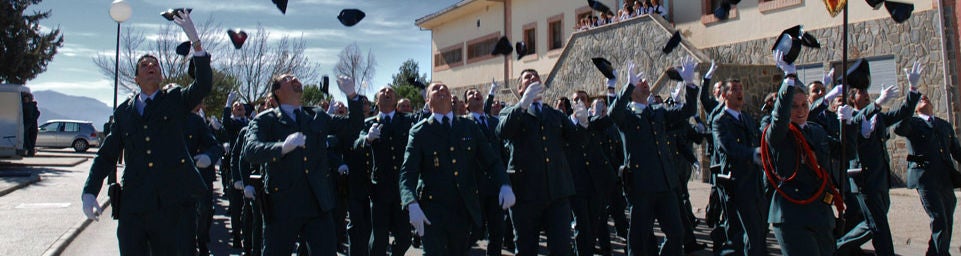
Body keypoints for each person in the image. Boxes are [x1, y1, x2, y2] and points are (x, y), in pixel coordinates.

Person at [80, 10, 211, 254]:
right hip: (134, 205)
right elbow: (107, 155)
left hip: (170, 204)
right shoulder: (124, 113)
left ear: (160, 76)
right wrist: (90, 192)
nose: (151, 67)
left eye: (155, 65)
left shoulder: (175, 99)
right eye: (145, 65)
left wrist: (196, 43)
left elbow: (203, 85)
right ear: (136, 78)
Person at [242, 74, 362, 255]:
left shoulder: (316, 115)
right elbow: (250, 151)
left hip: (317, 203)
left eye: (295, 77)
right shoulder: (266, 120)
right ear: (277, 91)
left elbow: (353, 127)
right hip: (282, 206)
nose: (294, 78)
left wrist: (352, 96)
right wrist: (281, 147)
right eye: (287, 78)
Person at [401, 82, 515, 255]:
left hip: (462, 209)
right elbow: (408, 172)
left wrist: (504, 184)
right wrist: (411, 202)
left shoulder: (468, 126)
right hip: (432, 211)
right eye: (435, 89)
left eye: (445, 88)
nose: (442, 90)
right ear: (428, 101)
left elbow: (491, 161)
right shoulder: (420, 132)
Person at [609, 58, 698, 255]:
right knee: (639, 238)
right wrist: (627, 85)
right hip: (642, 187)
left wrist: (690, 84)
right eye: (640, 82)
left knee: (676, 233)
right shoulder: (628, 117)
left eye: (644, 80)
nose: (645, 82)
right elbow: (613, 113)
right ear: (632, 92)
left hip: (665, 185)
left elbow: (688, 111)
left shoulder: (658, 114)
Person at [761, 51, 845, 255]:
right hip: (791, 214)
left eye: (804, 105)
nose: (800, 110)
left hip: (820, 212)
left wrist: (848, 123)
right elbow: (779, 118)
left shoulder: (816, 130)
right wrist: (788, 80)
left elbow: (845, 152)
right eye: (794, 106)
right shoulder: (778, 133)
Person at [836, 61, 923, 256]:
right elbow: (856, 123)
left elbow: (902, 113)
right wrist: (877, 104)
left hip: (881, 179)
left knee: (873, 223)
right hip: (864, 181)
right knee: (879, 225)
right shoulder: (850, 118)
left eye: (866, 91)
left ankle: (836, 247)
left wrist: (913, 88)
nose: (866, 94)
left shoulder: (877, 118)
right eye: (860, 92)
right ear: (851, 99)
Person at [497, 69, 586, 255]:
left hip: (557, 193)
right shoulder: (510, 111)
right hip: (525, 195)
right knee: (526, 248)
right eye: (527, 78)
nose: (533, 78)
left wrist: (583, 124)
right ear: (520, 89)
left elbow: (576, 141)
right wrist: (522, 105)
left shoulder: (554, 114)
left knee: (562, 248)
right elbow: (502, 132)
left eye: (536, 76)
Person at [892, 92, 958, 256]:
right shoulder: (912, 123)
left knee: (947, 220)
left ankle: (933, 252)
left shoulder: (944, 125)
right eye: (921, 99)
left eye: (926, 97)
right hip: (925, 179)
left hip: (945, 178)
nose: (924, 98)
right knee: (939, 218)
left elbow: (956, 151)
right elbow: (899, 128)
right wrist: (910, 104)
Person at [354, 86, 415, 256]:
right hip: (379, 188)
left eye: (391, 92)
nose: (387, 93)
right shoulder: (369, 123)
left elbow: (423, 120)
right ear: (377, 100)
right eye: (383, 92)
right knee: (379, 239)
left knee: (405, 237)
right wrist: (367, 139)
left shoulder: (406, 120)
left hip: (402, 188)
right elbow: (356, 143)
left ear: (396, 100)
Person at [464, 87, 510, 256]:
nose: (476, 94)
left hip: (496, 186)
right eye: (471, 93)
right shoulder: (464, 123)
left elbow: (502, 152)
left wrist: (506, 180)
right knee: (474, 231)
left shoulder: (494, 122)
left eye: (478, 93)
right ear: (466, 104)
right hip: (475, 186)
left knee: (497, 231)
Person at [183, 102, 223, 255]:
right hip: (166, 185)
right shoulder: (156, 117)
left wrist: (208, 156)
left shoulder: (196, 121)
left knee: (203, 210)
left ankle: (200, 239)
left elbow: (215, 146)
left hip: (199, 174)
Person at [222, 91, 249, 249]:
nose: (239, 107)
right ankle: (237, 235)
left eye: (240, 106)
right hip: (234, 167)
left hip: (248, 166)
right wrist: (227, 103)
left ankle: (247, 236)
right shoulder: (233, 124)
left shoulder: (250, 122)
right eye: (235, 106)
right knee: (236, 205)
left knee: (248, 209)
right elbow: (226, 122)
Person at [21, 91, 39, 156]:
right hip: (31, 125)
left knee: (28, 138)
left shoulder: (28, 106)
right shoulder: (33, 106)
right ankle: (30, 151)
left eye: (26, 99)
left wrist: (31, 120)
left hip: (29, 125)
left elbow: (36, 114)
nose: (25, 100)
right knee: (29, 139)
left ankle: (30, 151)